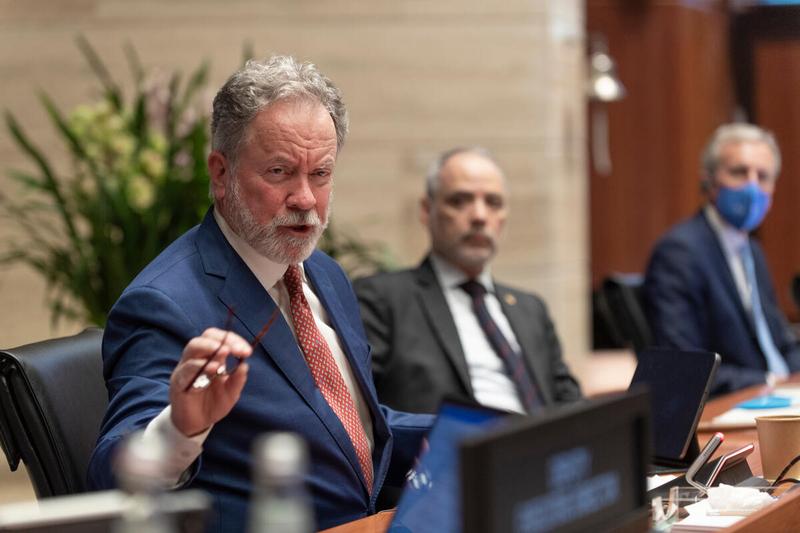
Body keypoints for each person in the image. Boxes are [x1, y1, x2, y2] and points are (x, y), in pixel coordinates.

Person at [87, 55, 433, 533]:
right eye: (279, 172)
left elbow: (347, 426)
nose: (305, 199)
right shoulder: (164, 302)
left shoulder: (323, 273)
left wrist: (468, 435)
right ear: (221, 172)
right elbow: (112, 478)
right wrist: (180, 430)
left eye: (321, 174)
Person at [354, 147, 582, 415]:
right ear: (427, 211)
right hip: (452, 450)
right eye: (460, 201)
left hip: (540, 449)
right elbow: (361, 412)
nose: (479, 216)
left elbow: (571, 402)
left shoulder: (531, 309)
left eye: (493, 203)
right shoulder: (382, 299)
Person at [643, 123, 800, 395]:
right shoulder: (679, 253)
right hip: (737, 406)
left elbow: (779, 345)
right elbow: (686, 368)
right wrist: (773, 382)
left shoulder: (752, 250)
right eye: (739, 172)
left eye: (763, 176)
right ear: (709, 181)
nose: (753, 186)